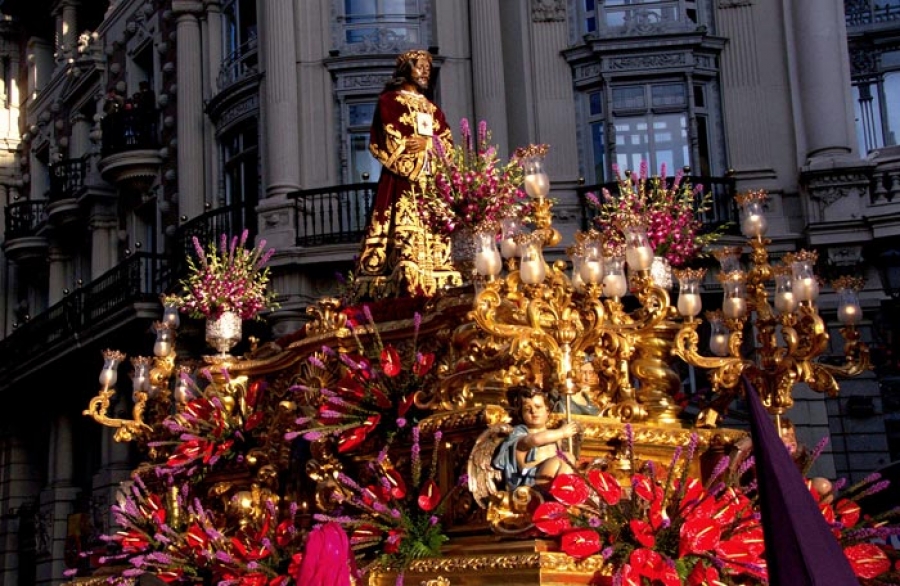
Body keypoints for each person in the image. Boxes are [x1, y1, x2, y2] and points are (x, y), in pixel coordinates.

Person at [352, 49, 460, 300]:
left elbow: (447, 141)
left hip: (430, 185)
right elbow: (387, 137)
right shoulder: (389, 101)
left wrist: (429, 145)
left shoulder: (432, 109)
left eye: (428, 68)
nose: (425, 72)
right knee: (401, 241)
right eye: (419, 66)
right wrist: (414, 153)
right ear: (406, 70)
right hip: (402, 184)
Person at [493, 387, 580, 491]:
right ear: (521, 414)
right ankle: (564, 492)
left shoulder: (556, 437)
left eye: (538, 407)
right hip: (532, 480)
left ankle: (564, 491)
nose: (533, 411)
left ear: (548, 411)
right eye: (527, 409)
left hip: (552, 478)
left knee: (569, 459)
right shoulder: (519, 433)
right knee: (566, 457)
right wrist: (562, 432)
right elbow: (535, 440)